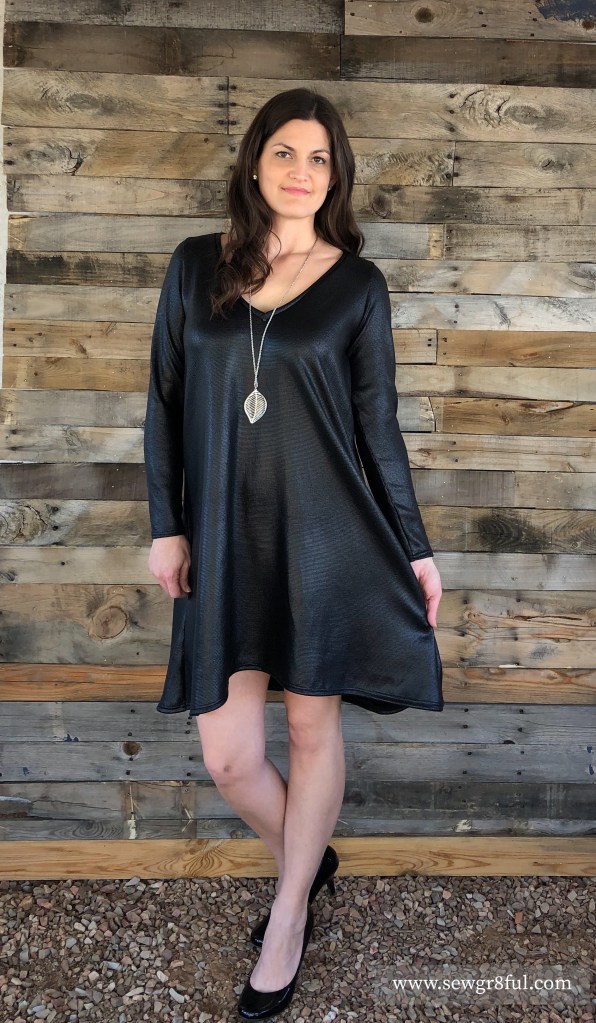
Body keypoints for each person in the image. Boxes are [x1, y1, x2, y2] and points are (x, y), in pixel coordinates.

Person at [143, 87, 443, 1020]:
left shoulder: (358, 286)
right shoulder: (195, 266)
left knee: (314, 730)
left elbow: (378, 428)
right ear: (255, 161)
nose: (301, 172)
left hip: (326, 540)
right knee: (231, 757)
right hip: (222, 539)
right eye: (284, 152)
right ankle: (306, 861)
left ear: (336, 175)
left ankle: (287, 915)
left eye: (319, 158)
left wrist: (417, 549)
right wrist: (165, 524)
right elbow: (163, 401)